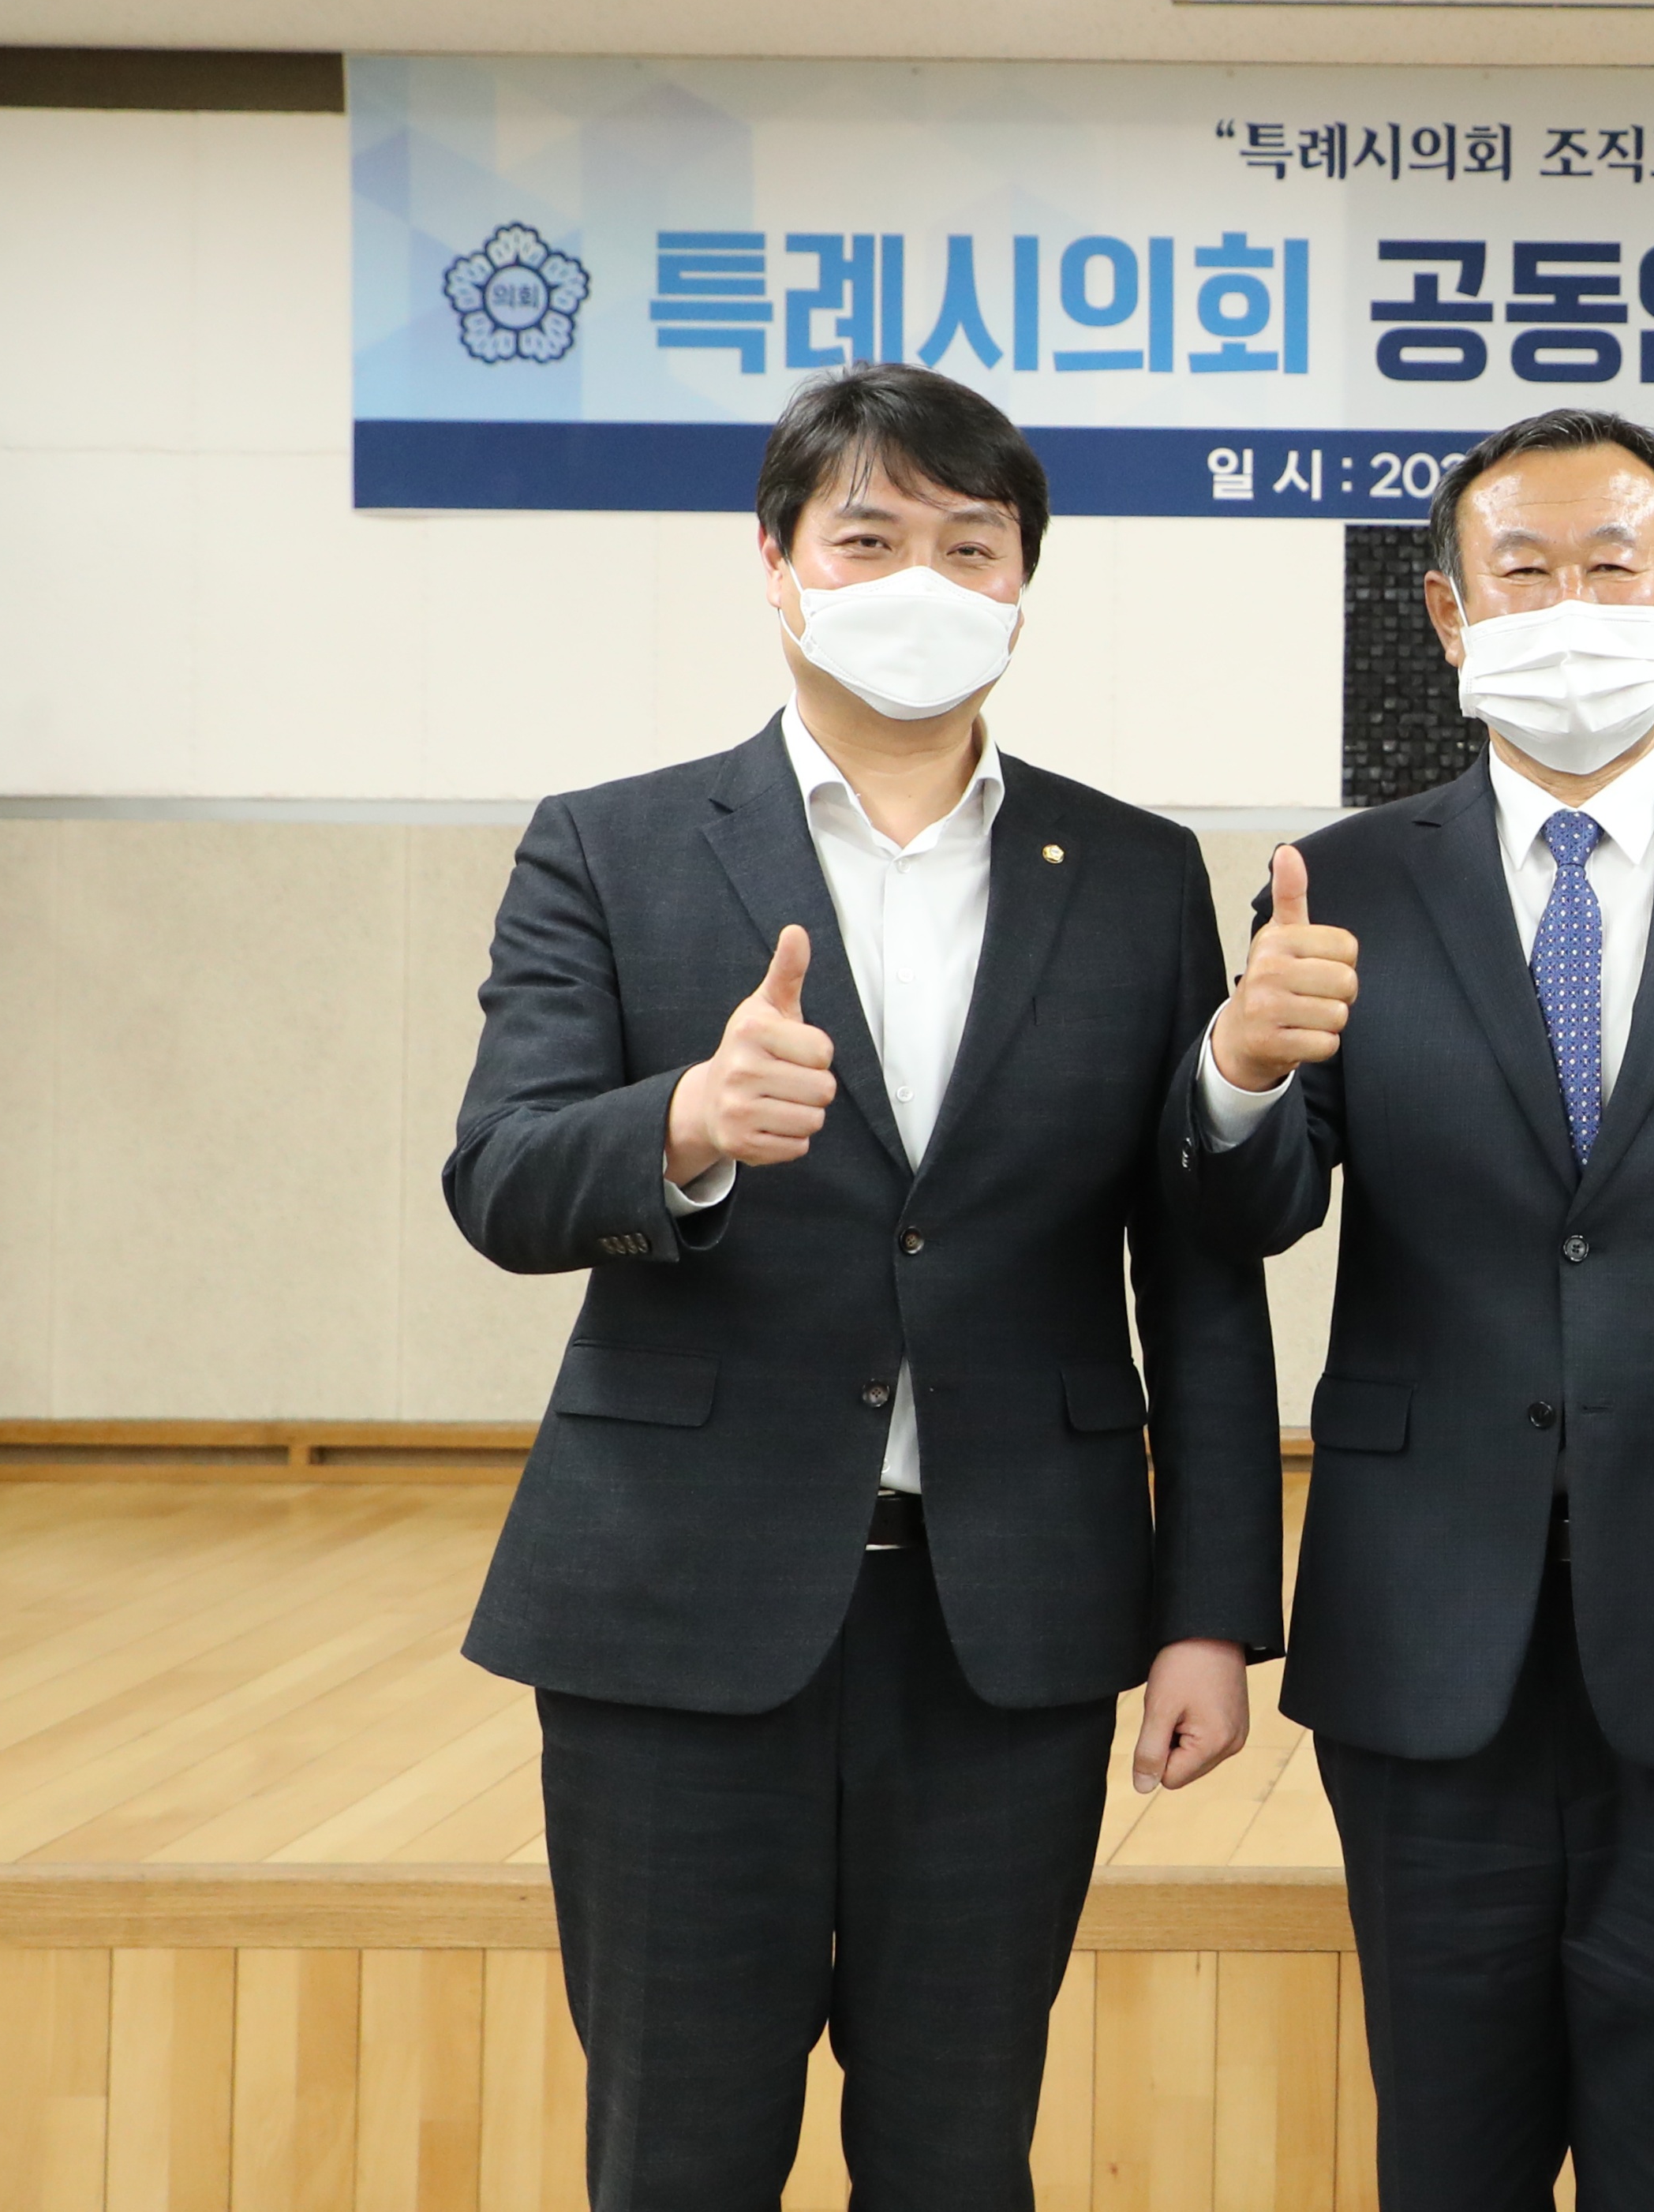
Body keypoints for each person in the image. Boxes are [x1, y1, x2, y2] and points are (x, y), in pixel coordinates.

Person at [443, 364, 1282, 2210]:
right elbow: (499, 1174)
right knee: (677, 2155)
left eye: (970, 546)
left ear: (1022, 583)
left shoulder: (1134, 871)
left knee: (959, 2155)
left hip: (1013, 1626)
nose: (923, 581)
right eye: (871, 537)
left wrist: (1211, 1609)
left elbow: (1198, 1272)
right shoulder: (611, 842)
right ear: (778, 562)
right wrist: (684, 1123)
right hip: (678, 1621)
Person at [1178, 406, 1654, 2210]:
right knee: (1444, 2152)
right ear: (1448, 616)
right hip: (1423, 1615)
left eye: (1614, 568)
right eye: (1521, 571)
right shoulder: (1341, 877)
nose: (1571, 605)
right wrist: (1238, 1070)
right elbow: (1248, 1215)